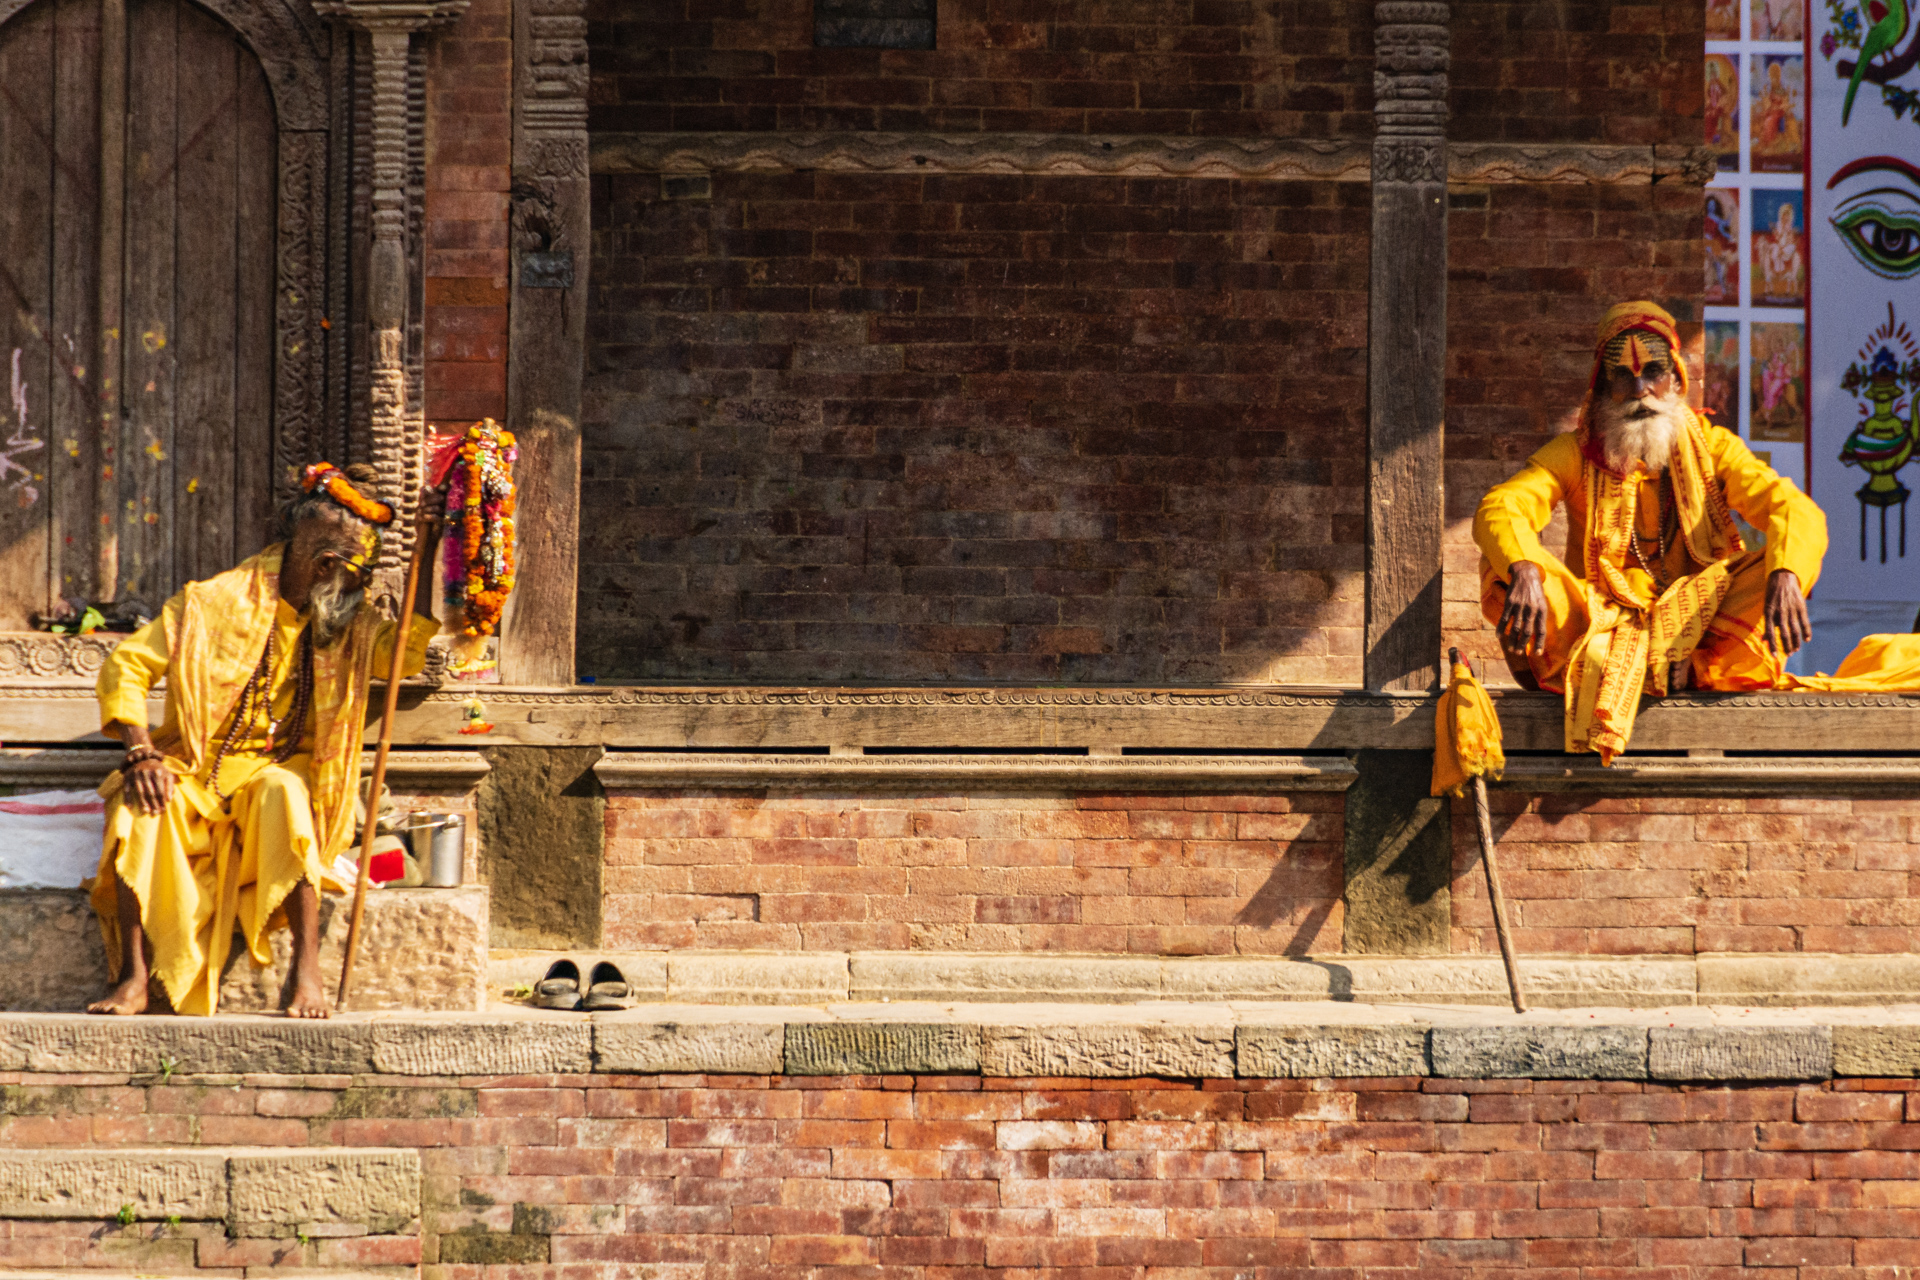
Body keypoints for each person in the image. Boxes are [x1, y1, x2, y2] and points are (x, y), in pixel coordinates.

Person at [87, 463, 441, 1017]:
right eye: (358, 574)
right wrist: (141, 751)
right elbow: (125, 668)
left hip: (281, 777)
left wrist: (432, 548)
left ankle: (306, 972)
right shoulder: (209, 603)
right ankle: (134, 977)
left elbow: (402, 659)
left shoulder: (345, 620)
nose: (363, 586)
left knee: (284, 793)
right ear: (326, 565)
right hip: (200, 772)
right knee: (139, 808)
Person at [1474, 302, 1827, 762]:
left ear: (1677, 380)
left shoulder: (1714, 446)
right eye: (1622, 377)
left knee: (1779, 559)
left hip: (1695, 626)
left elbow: (1791, 506)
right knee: (1503, 569)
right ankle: (1657, 670)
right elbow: (1503, 504)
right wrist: (1522, 567)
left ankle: (1691, 668)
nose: (1640, 390)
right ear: (1602, 389)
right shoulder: (1577, 454)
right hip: (1598, 625)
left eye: (1653, 372)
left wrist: (1785, 574)